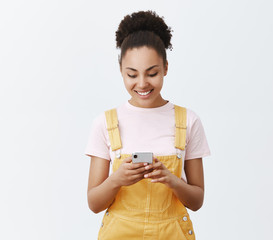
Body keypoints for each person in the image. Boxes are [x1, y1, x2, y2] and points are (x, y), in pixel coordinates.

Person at [85, 10, 211, 240]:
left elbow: (197, 201)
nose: (142, 83)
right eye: (132, 75)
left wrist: (171, 180)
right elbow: (94, 203)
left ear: (165, 68)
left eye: (152, 73)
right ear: (121, 71)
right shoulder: (105, 123)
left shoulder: (188, 121)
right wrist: (117, 179)